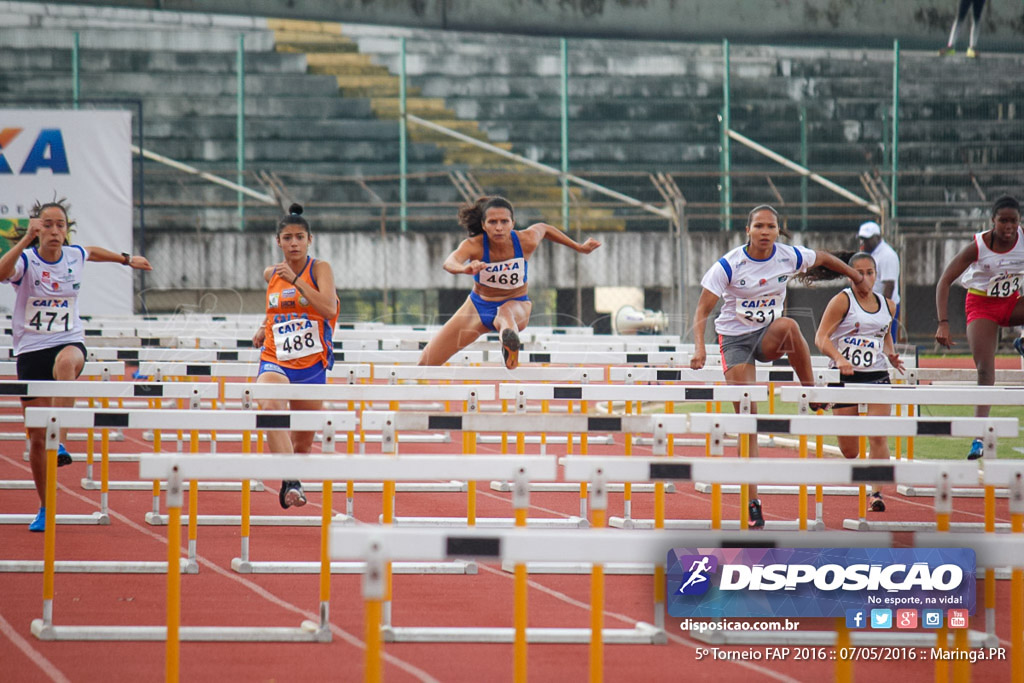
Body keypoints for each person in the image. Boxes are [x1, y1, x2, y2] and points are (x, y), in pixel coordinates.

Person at [690, 204, 871, 528]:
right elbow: (702, 310)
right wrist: (700, 349)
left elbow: (825, 258)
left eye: (770, 226)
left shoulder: (789, 256)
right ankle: (753, 501)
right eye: (758, 226)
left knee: (789, 325)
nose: (764, 232)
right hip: (735, 341)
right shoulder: (728, 266)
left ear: (777, 231)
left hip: (768, 335)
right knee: (749, 420)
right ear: (748, 230)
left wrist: (856, 276)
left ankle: (812, 393)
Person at [0, 198, 152, 531]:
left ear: (67, 230)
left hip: (68, 341)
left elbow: (94, 252)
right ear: (38, 228)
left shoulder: (74, 255)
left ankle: (62, 438)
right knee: (36, 440)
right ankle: (45, 506)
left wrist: (127, 259)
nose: (55, 231)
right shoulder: (26, 261)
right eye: (48, 225)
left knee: (68, 362)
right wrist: (26, 239)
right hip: (30, 352)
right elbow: (0, 273)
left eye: (60, 225)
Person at [417, 196, 601, 369]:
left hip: (516, 305)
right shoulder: (474, 245)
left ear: (513, 223)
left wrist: (578, 247)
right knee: (426, 362)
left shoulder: (525, 240)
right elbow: (449, 262)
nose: (499, 228)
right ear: (484, 225)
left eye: (504, 222)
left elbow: (544, 228)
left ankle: (510, 344)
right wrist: (464, 269)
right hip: (477, 307)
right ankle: (508, 339)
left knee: (504, 313)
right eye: (493, 222)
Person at [252, 204, 339, 508]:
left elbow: (328, 308)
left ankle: (293, 477)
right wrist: (265, 327)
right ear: (278, 242)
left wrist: (296, 281)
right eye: (287, 237)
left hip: (312, 365)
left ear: (309, 240)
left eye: (299, 237)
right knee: (268, 402)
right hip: (276, 358)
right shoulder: (271, 274)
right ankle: (290, 482)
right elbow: (278, 308)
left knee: (301, 446)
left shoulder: (320, 269)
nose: (293, 243)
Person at [814, 252, 905, 512]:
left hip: (876, 375)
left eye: (870, 273)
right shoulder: (842, 300)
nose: (864, 278)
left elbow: (883, 333)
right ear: (849, 274)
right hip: (844, 376)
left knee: (877, 435)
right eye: (858, 273)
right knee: (850, 450)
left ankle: (876, 493)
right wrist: (839, 358)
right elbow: (821, 338)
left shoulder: (888, 304)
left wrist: (891, 354)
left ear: (876, 275)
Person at [935, 195, 1024, 459]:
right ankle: (978, 437)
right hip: (982, 306)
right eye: (1003, 221)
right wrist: (943, 323)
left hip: (1012, 303)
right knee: (985, 371)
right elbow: (944, 281)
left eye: (1014, 221)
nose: (1008, 227)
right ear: (993, 221)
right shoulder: (978, 246)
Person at [857, 220, 901, 342]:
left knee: (884, 345)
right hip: (868, 306)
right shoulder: (867, 254)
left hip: (883, 307)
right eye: (862, 239)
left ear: (877, 238)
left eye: (867, 239)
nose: (863, 242)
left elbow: (889, 286)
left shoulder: (887, 255)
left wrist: (881, 311)